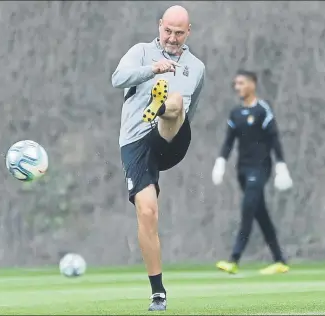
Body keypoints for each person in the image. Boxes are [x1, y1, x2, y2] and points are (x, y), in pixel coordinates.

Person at [111, 5, 205, 312]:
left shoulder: (196, 67)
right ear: (159, 26)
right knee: (148, 212)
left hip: (172, 136)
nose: (173, 38)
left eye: (179, 33)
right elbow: (117, 78)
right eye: (168, 31)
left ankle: (161, 106)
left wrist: (171, 115)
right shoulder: (140, 52)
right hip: (137, 142)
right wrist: (153, 69)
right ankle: (158, 293)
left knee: (176, 100)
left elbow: (195, 107)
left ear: (188, 32)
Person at [212, 70, 293, 275]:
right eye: (235, 84)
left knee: (248, 209)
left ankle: (234, 259)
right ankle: (280, 260)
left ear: (252, 85)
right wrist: (221, 162)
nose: (237, 87)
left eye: (241, 83)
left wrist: (281, 165)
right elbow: (229, 141)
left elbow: (274, 139)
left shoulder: (263, 110)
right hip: (243, 170)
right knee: (261, 215)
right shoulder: (235, 113)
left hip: (260, 169)